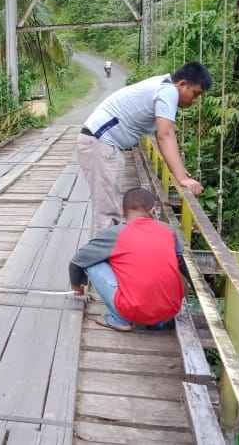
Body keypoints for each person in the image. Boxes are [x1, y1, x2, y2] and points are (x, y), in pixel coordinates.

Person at [78, 62, 211, 234]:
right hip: (100, 143)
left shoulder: (162, 85)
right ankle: (98, 259)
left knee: (112, 206)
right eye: (195, 94)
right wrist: (182, 178)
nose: (194, 101)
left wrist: (181, 172)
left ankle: (109, 254)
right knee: (107, 212)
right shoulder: (168, 91)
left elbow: (161, 133)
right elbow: (165, 135)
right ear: (182, 84)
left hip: (103, 145)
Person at [68, 188, 189, 332]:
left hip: (135, 310)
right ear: (153, 210)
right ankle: (158, 321)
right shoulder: (169, 230)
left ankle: (119, 319)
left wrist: (77, 287)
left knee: (93, 263)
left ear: (122, 211)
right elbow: (181, 264)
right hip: (170, 311)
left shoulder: (116, 233)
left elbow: (77, 262)